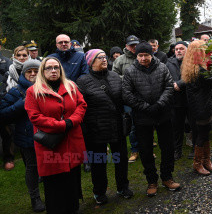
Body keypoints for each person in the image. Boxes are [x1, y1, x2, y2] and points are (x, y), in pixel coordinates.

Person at [24, 57, 87, 213]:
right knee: (54, 186)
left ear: (60, 70)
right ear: (43, 71)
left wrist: (72, 121)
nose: (53, 70)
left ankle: (73, 208)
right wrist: (60, 125)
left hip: (72, 141)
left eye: (56, 68)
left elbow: (81, 105)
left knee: (72, 181)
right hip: (51, 145)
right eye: (49, 68)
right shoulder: (33, 91)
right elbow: (34, 116)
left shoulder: (71, 86)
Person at [122, 42, 180, 196]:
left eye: (146, 55)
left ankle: (167, 177)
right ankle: (151, 180)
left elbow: (169, 87)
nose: (143, 58)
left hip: (163, 113)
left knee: (167, 147)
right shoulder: (130, 71)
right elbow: (127, 94)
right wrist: (146, 107)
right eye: (140, 55)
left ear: (151, 54)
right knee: (146, 150)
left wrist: (160, 104)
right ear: (136, 56)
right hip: (142, 116)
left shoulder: (162, 67)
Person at [77, 49, 133, 205]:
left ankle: (123, 187)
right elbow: (80, 107)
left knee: (121, 159)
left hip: (117, 127)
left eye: (104, 57)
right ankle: (99, 192)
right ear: (90, 61)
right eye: (99, 57)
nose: (104, 59)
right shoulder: (82, 81)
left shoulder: (115, 77)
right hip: (96, 129)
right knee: (98, 163)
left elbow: (124, 98)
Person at [0, 60, 45, 212]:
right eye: (28, 71)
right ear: (23, 73)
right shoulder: (17, 91)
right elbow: (1, 114)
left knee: (49, 165)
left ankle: (52, 193)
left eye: (36, 71)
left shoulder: (47, 87)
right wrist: (22, 103)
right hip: (27, 137)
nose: (32, 74)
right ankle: (35, 198)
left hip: (48, 135)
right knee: (31, 168)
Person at [181, 40, 212, 176]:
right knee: (202, 135)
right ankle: (198, 163)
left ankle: (206, 161)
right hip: (202, 107)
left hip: (200, 106)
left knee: (205, 133)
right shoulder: (200, 71)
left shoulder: (193, 67)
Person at [112, 35, 140, 163]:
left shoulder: (142, 56)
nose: (134, 47)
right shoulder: (120, 60)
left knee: (145, 123)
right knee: (132, 125)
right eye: (131, 45)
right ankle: (135, 150)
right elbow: (114, 77)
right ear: (126, 46)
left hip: (143, 95)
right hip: (128, 97)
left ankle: (146, 148)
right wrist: (130, 78)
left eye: (136, 45)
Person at [0, 36, 14, 171]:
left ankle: (9, 158)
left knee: (6, 132)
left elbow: (11, 84)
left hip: (1, 104)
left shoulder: (7, 63)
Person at [165, 42, 189, 161]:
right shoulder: (169, 62)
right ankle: (177, 150)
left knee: (192, 125)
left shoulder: (192, 61)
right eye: (176, 49)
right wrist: (173, 84)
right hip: (175, 100)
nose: (178, 51)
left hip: (190, 98)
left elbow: (193, 75)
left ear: (187, 50)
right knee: (177, 127)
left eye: (181, 49)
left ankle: (195, 149)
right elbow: (165, 77)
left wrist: (180, 83)